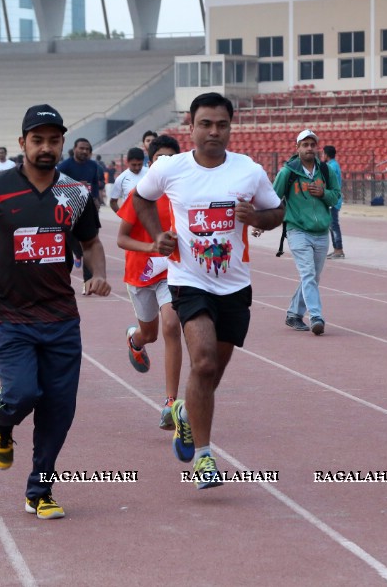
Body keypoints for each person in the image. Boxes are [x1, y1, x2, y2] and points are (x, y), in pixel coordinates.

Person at [0, 103, 110, 520]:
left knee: (59, 409)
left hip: (61, 317)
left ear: (62, 143)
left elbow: (91, 242)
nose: (46, 147)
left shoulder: (75, 192)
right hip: (10, 317)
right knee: (24, 393)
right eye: (37, 139)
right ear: (22, 142)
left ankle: (39, 489)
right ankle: (0, 419)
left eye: (53, 140)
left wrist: (97, 273)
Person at [132, 92, 284, 489]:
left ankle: (186, 414)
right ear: (191, 126)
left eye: (221, 124)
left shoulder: (248, 171)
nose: (214, 132)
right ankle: (204, 457)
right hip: (188, 281)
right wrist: (158, 236)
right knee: (201, 363)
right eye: (206, 124)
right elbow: (141, 199)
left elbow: (278, 211)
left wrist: (259, 218)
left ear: (231, 127)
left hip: (234, 285)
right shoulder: (171, 168)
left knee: (210, 373)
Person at [117, 134, 184, 429]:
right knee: (151, 334)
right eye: (159, 159)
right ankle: (135, 339)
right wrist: (152, 247)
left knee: (172, 326)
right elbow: (121, 238)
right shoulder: (140, 195)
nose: (165, 164)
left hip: (171, 273)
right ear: (150, 162)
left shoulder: (184, 193)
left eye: (171, 159)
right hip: (140, 273)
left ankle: (170, 402)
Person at [266, 129, 338, 334]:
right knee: (307, 273)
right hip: (297, 230)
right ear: (297, 148)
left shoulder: (325, 171)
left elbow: (336, 197)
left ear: (317, 148)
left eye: (312, 145)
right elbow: (273, 198)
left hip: (322, 231)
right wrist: (262, 223)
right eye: (304, 145)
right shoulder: (287, 172)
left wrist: (324, 193)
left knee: (313, 277)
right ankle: (316, 316)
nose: (309, 148)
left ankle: (293, 314)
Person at [56, 138, 104, 281]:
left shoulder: (93, 166)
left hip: (88, 209)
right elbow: (56, 185)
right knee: (71, 240)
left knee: (89, 242)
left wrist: (96, 199)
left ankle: (87, 281)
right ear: (75, 148)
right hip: (68, 208)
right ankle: (76, 254)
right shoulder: (64, 166)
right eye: (81, 148)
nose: (84, 151)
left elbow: (95, 184)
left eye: (87, 149)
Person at [321, 145, 345, 259]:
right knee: (332, 225)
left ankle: (339, 250)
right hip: (333, 199)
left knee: (334, 225)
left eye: (323, 154)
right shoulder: (333, 165)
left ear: (326, 155)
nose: (322, 156)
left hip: (333, 200)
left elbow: (328, 183)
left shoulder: (331, 167)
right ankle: (336, 248)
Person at [108, 147, 146, 213]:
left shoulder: (150, 173)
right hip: (131, 217)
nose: (137, 168)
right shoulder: (121, 178)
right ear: (127, 162)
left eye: (140, 164)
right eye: (134, 165)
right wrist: (123, 216)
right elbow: (113, 202)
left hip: (149, 217)